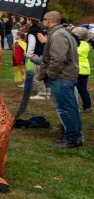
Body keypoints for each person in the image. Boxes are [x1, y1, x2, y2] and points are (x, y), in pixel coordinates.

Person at [37, 11, 82, 148]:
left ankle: (72, 138)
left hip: (62, 77)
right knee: (70, 107)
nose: (42, 22)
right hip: (64, 76)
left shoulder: (57, 35)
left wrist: (50, 74)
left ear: (49, 20)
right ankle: (73, 135)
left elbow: (57, 59)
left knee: (66, 109)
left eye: (43, 20)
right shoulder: (60, 33)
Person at [73, 27, 91, 114]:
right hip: (85, 69)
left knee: (74, 90)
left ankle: (75, 108)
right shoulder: (87, 45)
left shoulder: (76, 44)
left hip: (77, 68)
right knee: (83, 89)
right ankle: (87, 107)